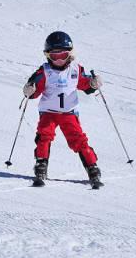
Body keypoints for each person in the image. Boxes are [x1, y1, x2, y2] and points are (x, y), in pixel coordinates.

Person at [22, 31, 104, 188]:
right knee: (44, 136)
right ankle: (41, 165)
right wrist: (29, 90)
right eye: (54, 56)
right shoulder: (44, 71)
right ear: (47, 55)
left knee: (78, 139)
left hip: (68, 113)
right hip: (48, 113)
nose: (59, 60)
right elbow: (35, 88)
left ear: (70, 54)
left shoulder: (75, 70)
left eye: (63, 55)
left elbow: (85, 84)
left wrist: (93, 84)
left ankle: (92, 167)